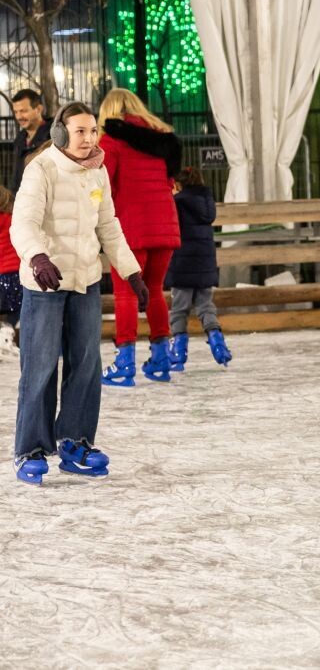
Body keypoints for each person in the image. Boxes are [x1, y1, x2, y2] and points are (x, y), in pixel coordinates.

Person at [11, 103, 146, 485]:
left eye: (92, 131)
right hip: (46, 284)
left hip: (85, 280)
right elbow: (23, 222)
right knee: (39, 368)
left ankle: (75, 442)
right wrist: (37, 257)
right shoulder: (42, 170)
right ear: (60, 134)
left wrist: (132, 272)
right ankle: (30, 450)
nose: (88, 139)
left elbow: (109, 227)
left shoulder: (97, 171)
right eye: (80, 131)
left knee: (86, 365)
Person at [97, 88, 183, 385]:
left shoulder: (112, 141)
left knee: (126, 293)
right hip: (165, 227)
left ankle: (124, 363)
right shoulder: (162, 140)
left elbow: (103, 184)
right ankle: (161, 358)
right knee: (155, 291)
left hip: (131, 230)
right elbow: (170, 181)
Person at [166, 167, 231, 371]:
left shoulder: (176, 203)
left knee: (179, 309)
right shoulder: (207, 203)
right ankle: (218, 343)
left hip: (182, 265)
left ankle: (178, 352)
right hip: (204, 266)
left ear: (179, 184)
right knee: (206, 306)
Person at [9, 89, 52, 194]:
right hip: (21, 201)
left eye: (23, 111)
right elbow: (16, 177)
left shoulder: (52, 137)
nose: (19, 117)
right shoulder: (20, 139)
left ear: (38, 109)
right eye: (16, 112)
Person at [0, 186, 19, 359]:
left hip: (2, 274)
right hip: (16, 274)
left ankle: (4, 336)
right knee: (15, 309)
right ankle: (7, 332)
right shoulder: (13, 218)